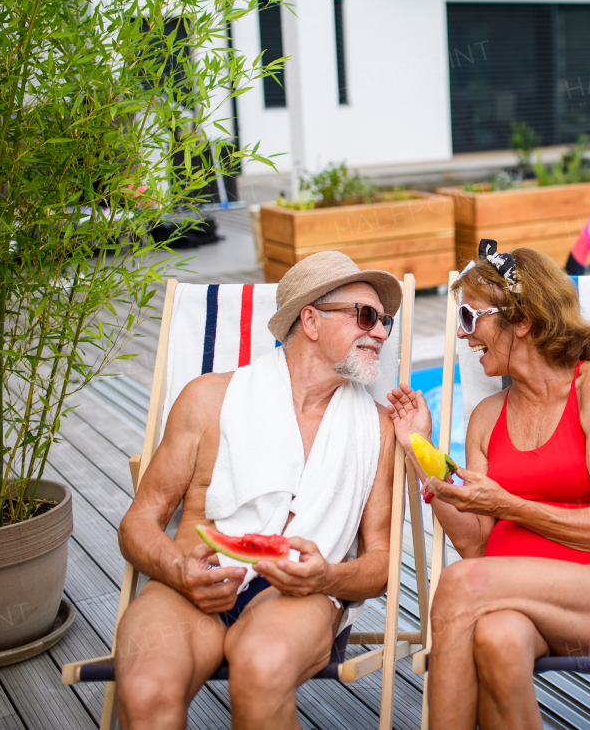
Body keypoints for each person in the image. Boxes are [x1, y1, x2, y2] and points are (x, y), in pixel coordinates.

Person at [114, 251, 400, 730]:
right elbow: (137, 522)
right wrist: (177, 570)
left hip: (298, 596)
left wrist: (326, 577)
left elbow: (379, 565)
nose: (381, 333)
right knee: (144, 692)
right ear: (310, 319)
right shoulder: (207, 398)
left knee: (260, 668)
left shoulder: (378, 429)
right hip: (190, 583)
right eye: (366, 316)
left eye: (385, 320)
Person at [387, 240, 590, 730]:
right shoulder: (486, 419)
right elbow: (475, 543)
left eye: (470, 317)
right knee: (497, 638)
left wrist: (510, 504)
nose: (465, 336)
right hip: (513, 595)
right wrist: (420, 449)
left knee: (460, 584)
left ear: (523, 319)